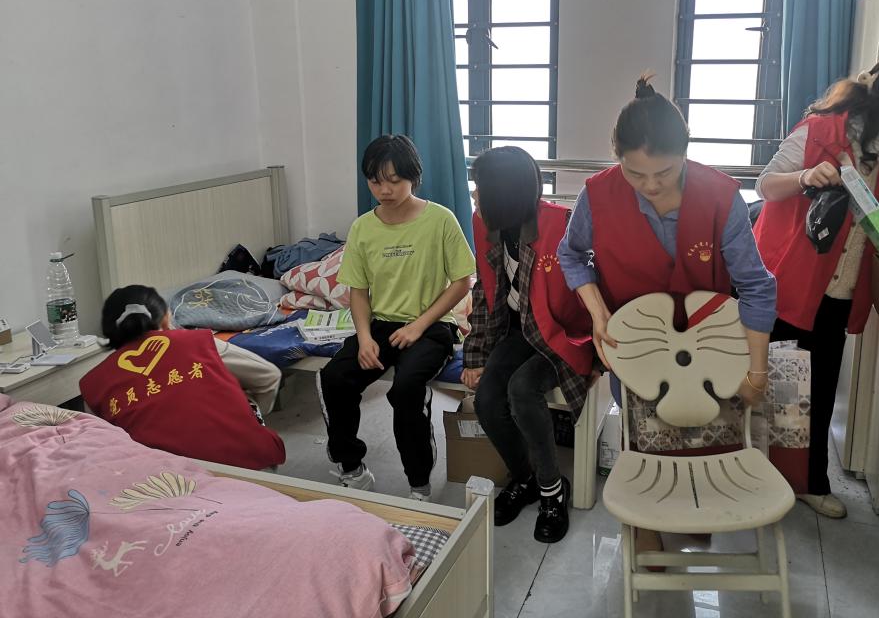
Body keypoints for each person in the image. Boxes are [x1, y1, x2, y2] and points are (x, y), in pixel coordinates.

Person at [557, 74, 777, 556]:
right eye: (635, 173)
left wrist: (756, 372)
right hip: (637, 339)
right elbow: (571, 254)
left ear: (686, 152)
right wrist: (598, 313)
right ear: (617, 155)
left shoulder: (720, 196)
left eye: (665, 171)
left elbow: (757, 285)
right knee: (644, 427)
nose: (651, 185)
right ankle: (647, 521)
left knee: (703, 424)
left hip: (707, 338)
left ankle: (693, 507)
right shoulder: (598, 194)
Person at [754, 51, 879, 519]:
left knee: (819, 390)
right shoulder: (820, 131)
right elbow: (766, 185)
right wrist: (805, 176)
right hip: (788, 284)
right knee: (780, 388)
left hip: (839, 292)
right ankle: (761, 478)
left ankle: (807, 483)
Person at [317, 134, 475, 501]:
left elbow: (463, 281)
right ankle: (351, 467)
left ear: (413, 177)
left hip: (432, 325)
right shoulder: (363, 227)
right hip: (381, 325)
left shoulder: (440, 219)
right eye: (375, 181)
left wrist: (418, 326)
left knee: (405, 390)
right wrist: (364, 338)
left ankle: (419, 483)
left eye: (394, 180)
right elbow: (358, 291)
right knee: (334, 378)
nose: (384, 190)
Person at [460, 147, 595, 544]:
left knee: (522, 389)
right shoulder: (485, 223)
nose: (475, 196)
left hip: (563, 335)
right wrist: (476, 355)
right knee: (487, 399)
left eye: (481, 188)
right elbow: (485, 292)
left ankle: (553, 491)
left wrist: (599, 357)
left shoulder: (561, 225)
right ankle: (525, 478)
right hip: (519, 331)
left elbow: (595, 292)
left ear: (505, 194)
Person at [80, 285, 286, 470]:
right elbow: (269, 376)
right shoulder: (199, 341)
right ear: (165, 318)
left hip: (161, 480)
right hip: (245, 465)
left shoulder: (93, 383)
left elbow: (105, 443)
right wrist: (250, 412)